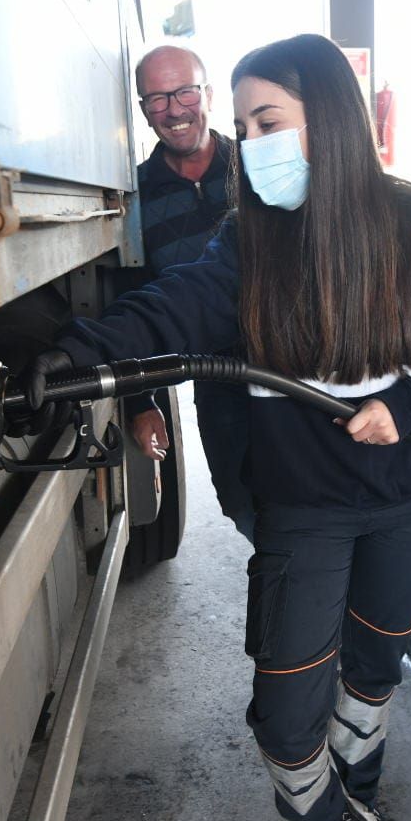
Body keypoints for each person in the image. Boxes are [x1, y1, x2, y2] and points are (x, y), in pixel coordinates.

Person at [27, 33, 411, 821]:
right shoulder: (248, 244)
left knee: (373, 673)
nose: (252, 144)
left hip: (410, 506)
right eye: (247, 125)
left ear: (328, 120)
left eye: (270, 122)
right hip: (306, 513)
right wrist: (76, 357)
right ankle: (324, 809)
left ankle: (360, 795)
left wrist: (406, 409)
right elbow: (169, 307)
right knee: (288, 731)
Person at [124, 45, 254, 541]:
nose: (174, 110)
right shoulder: (135, 198)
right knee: (245, 508)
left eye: (184, 92)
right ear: (143, 111)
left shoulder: (257, 167)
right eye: (157, 99)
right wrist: (141, 402)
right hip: (217, 385)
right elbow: (135, 303)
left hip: (295, 375)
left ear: (208, 95)